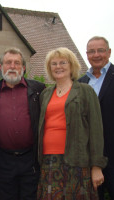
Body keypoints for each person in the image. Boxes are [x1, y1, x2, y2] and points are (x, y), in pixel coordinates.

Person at [38, 47, 107, 199]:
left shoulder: (85, 91)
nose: (58, 67)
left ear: (71, 66)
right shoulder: (45, 94)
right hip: (49, 159)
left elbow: (96, 130)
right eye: (54, 64)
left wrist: (97, 166)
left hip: (76, 160)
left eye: (63, 62)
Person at [0, 47, 45, 200]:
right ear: (1, 67)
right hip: (2, 160)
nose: (12, 66)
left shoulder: (39, 90)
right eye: (8, 63)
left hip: (30, 160)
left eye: (17, 63)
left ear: (23, 67)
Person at [79, 36, 114, 200]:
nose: (96, 55)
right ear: (87, 54)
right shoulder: (81, 83)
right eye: (92, 51)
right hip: (89, 159)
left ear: (109, 52)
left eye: (100, 50)